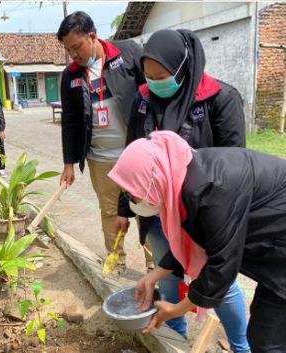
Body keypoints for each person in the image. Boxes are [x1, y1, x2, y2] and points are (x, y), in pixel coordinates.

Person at [117, 29, 249, 351]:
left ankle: (240, 344)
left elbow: (235, 168)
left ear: (182, 68)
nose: (153, 83)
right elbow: (133, 154)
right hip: (160, 210)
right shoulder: (144, 99)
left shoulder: (220, 99)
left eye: (160, 76)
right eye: (147, 76)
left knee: (220, 280)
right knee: (171, 272)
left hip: (207, 211)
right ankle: (173, 335)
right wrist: (125, 207)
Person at [108, 130, 286, 353]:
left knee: (268, 342)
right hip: (274, 242)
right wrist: (153, 275)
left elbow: (222, 266)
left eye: (131, 194)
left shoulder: (209, 190)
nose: (131, 201)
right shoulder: (184, 175)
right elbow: (194, 240)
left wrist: (176, 309)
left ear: (154, 180)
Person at [57, 11, 153, 275]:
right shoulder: (71, 76)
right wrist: (68, 163)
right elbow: (71, 122)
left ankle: (155, 264)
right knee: (110, 212)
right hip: (100, 159)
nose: (74, 55)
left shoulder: (128, 54)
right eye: (68, 50)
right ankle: (117, 260)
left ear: (92, 36)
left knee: (147, 209)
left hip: (136, 156)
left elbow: (151, 96)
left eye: (77, 47)